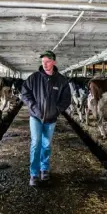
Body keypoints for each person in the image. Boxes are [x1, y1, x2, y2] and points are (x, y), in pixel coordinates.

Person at [21, 50, 71, 186]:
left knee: (47, 144)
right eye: (43, 62)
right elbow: (24, 93)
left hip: (51, 118)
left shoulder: (61, 81)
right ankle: (34, 173)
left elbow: (66, 99)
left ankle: (45, 169)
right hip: (35, 117)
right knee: (36, 143)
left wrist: (56, 111)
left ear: (54, 62)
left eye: (47, 61)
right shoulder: (34, 78)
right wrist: (33, 107)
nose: (45, 64)